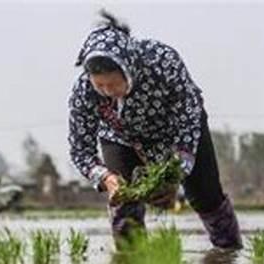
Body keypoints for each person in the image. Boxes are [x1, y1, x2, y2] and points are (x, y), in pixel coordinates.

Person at [68, 11, 242, 249]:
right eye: (100, 85)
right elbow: (81, 150)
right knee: (125, 202)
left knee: (206, 196)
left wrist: (174, 176)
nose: (107, 91)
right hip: (121, 137)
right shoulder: (84, 91)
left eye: (113, 83)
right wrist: (106, 178)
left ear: (128, 68)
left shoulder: (162, 62)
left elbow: (188, 116)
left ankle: (228, 252)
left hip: (178, 134)